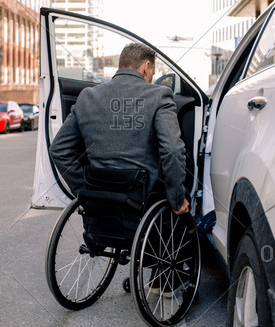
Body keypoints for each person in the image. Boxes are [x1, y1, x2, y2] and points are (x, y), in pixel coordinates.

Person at [50, 42, 189, 215]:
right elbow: (173, 151)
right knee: (183, 194)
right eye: (153, 73)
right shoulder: (159, 95)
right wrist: (177, 199)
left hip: (97, 194)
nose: (152, 78)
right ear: (146, 67)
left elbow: (58, 149)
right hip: (142, 199)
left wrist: (84, 190)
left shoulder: (87, 96)